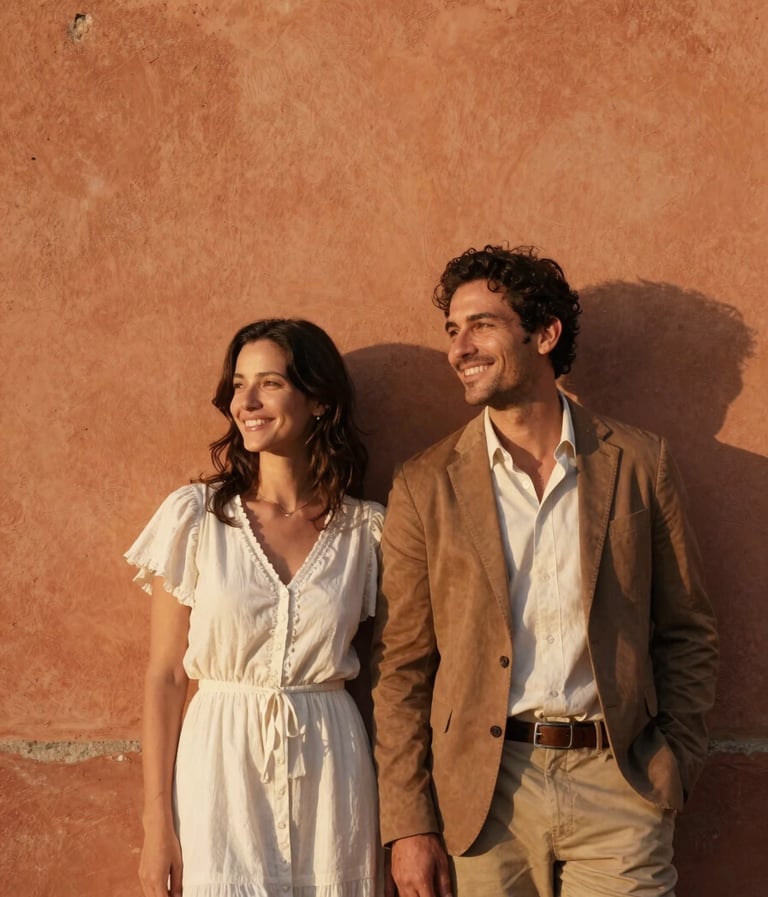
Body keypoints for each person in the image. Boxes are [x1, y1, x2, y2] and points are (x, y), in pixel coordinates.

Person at [371, 245, 719, 897]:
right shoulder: (425, 484)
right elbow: (401, 667)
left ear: (546, 333)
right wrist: (408, 823)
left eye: (481, 324)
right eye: (452, 330)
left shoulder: (639, 462)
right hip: (485, 794)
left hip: (620, 784)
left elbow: (688, 628)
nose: (459, 347)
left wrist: (675, 760)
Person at [126, 318, 384, 897]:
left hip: (331, 762)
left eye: (269, 383)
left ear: (318, 400)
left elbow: (393, 678)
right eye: (239, 384)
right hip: (219, 762)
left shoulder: (365, 533)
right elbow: (166, 676)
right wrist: (156, 825)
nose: (246, 401)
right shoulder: (196, 518)